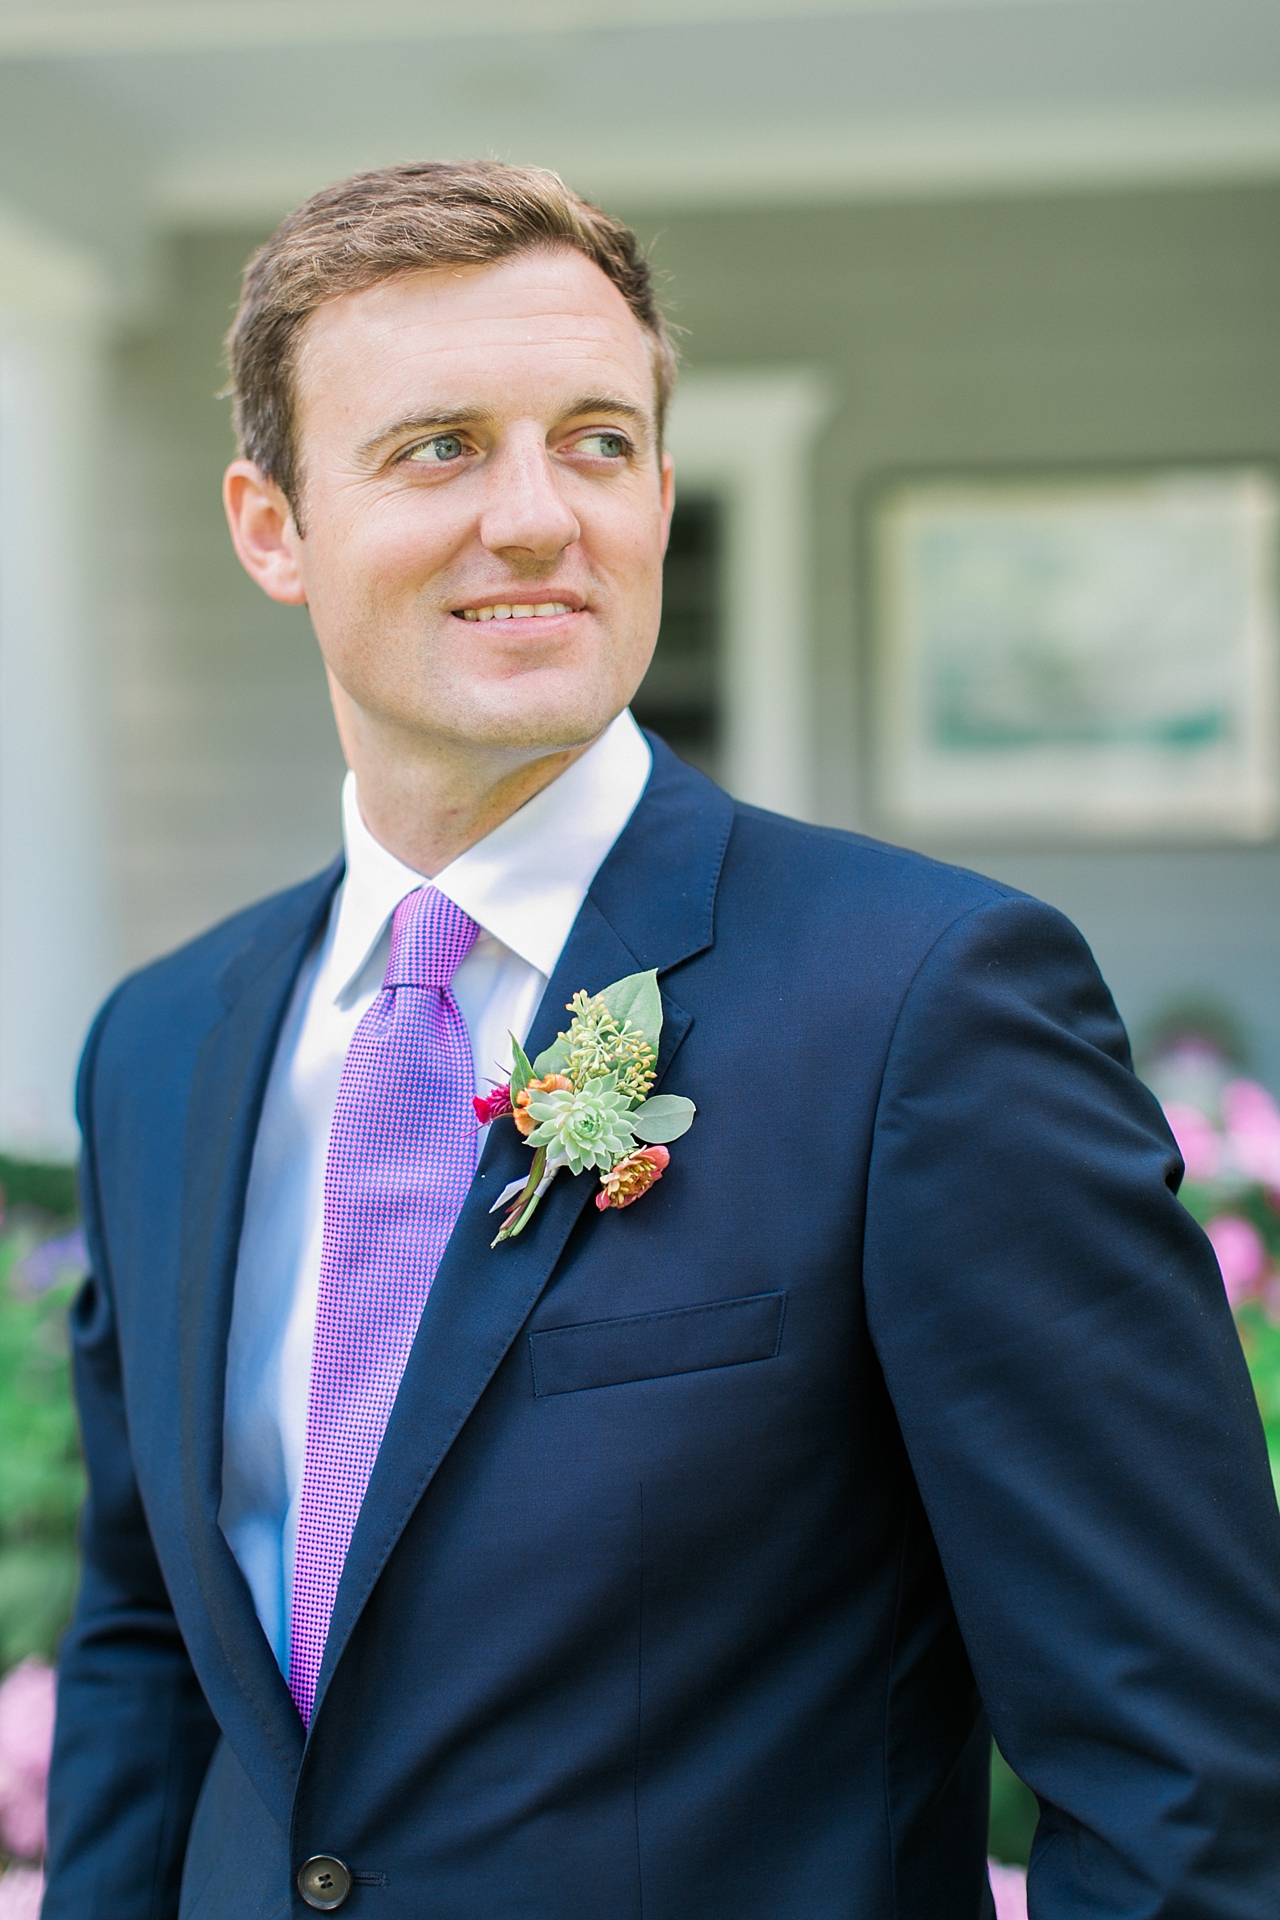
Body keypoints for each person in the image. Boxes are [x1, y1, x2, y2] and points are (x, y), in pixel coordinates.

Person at [43, 161, 1280, 1920]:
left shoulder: (926, 1004)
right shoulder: (162, 1048)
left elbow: (1190, 1774)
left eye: (600, 442)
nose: (540, 516)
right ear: (271, 524)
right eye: (441, 446)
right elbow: (149, 1645)